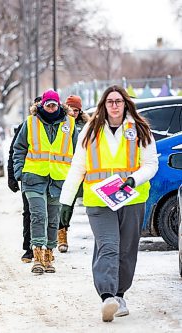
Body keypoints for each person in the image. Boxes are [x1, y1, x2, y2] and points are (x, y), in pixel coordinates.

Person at [60, 85, 158, 322]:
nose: (114, 105)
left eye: (118, 101)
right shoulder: (90, 131)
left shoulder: (140, 129)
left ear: (126, 104)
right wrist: (65, 201)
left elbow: (151, 163)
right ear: (103, 105)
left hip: (131, 197)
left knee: (126, 248)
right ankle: (107, 297)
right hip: (98, 199)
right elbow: (78, 167)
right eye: (110, 101)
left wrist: (134, 179)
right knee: (108, 246)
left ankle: (120, 294)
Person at [12, 89, 77, 275]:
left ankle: (49, 254)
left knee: (53, 218)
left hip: (58, 179)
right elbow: (19, 148)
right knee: (38, 216)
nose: (50, 107)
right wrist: (19, 173)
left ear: (59, 105)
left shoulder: (70, 124)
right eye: (47, 104)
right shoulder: (30, 123)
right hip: (33, 177)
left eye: (53, 104)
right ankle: (38, 256)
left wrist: (74, 176)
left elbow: (78, 152)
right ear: (42, 105)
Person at [7, 96, 41, 263]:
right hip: (30, 178)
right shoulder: (27, 125)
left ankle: (45, 247)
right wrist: (13, 176)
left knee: (48, 213)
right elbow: (14, 152)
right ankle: (29, 248)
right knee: (29, 213)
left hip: (53, 178)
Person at [57, 95, 90, 253]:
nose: (74, 112)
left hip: (83, 170)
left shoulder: (87, 125)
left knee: (85, 204)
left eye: (77, 110)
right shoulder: (60, 122)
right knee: (65, 204)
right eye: (71, 109)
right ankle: (61, 233)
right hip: (64, 169)